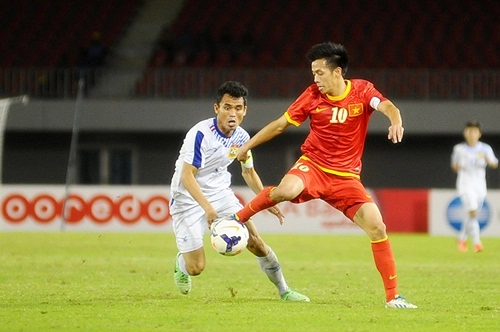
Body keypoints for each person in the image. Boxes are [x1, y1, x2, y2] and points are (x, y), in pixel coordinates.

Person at [233, 42, 417, 309]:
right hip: (314, 166)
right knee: (285, 191)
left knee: (378, 227)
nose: (315, 79)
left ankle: (393, 297)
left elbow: (387, 106)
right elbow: (281, 125)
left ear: (337, 72)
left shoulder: (362, 90)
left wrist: (396, 120)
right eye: (313, 73)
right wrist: (248, 145)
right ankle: (238, 218)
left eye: (319, 72)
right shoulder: (311, 96)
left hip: (347, 179)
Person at [170, 81, 309, 302]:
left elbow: (248, 173)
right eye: (227, 107)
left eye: (237, 108)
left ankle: (284, 291)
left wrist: (267, 200)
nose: (232, 113)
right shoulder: (200, 134)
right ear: (217, 108)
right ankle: (182, 264)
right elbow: (187, 176)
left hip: (221, 194)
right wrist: (208, 209)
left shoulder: (243, 137)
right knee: (196, 267)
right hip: (187, 198)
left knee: (256, 242)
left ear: (245, 110)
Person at [451, 121, 498, 253]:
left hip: (480, 186)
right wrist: (460, 165)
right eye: (469, 131)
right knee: (473, 212)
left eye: (474, 132)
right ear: (465, 133)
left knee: (472, 214)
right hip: (465, 184)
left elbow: (494, 164)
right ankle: (477, 242)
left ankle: (461, 238)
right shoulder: (459, 149)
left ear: (479, 134)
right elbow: (454, 166)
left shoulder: (485, 149)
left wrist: (488, 160)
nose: (471, 134)